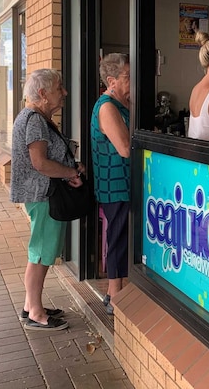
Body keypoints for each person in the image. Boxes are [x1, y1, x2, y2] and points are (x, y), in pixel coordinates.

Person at [11, 69, 85, 330]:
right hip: (43, 195)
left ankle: (32, 305)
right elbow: (40, 163)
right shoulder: (34, 120)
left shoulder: (35, 117)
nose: (63, 93)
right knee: (41, 253)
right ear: (42, 94)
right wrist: (71, 172)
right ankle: (35, 313)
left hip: (43, 194)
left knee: (40, 251)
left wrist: (70, 168)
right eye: (59, 88)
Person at [91, 54, 130, 315]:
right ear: (111, 81)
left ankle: (114, 291)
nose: (132, 82)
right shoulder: (107, 107)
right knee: (117, 237)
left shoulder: (121, 103)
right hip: (114, 184)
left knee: (122, 237)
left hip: (123, 184)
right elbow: (125, 148)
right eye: (128, 77)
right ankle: (115, 295)